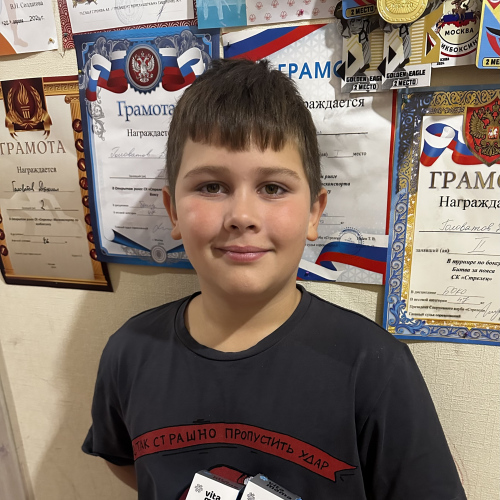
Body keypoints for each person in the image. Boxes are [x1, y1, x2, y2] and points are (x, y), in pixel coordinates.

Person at [82, 58, 467, 500]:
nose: (242, 216)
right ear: (172, 212)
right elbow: (126, 461)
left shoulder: (374, 369)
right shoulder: (128, 353)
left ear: (314, 212)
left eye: (272, 188)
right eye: (211, 187)